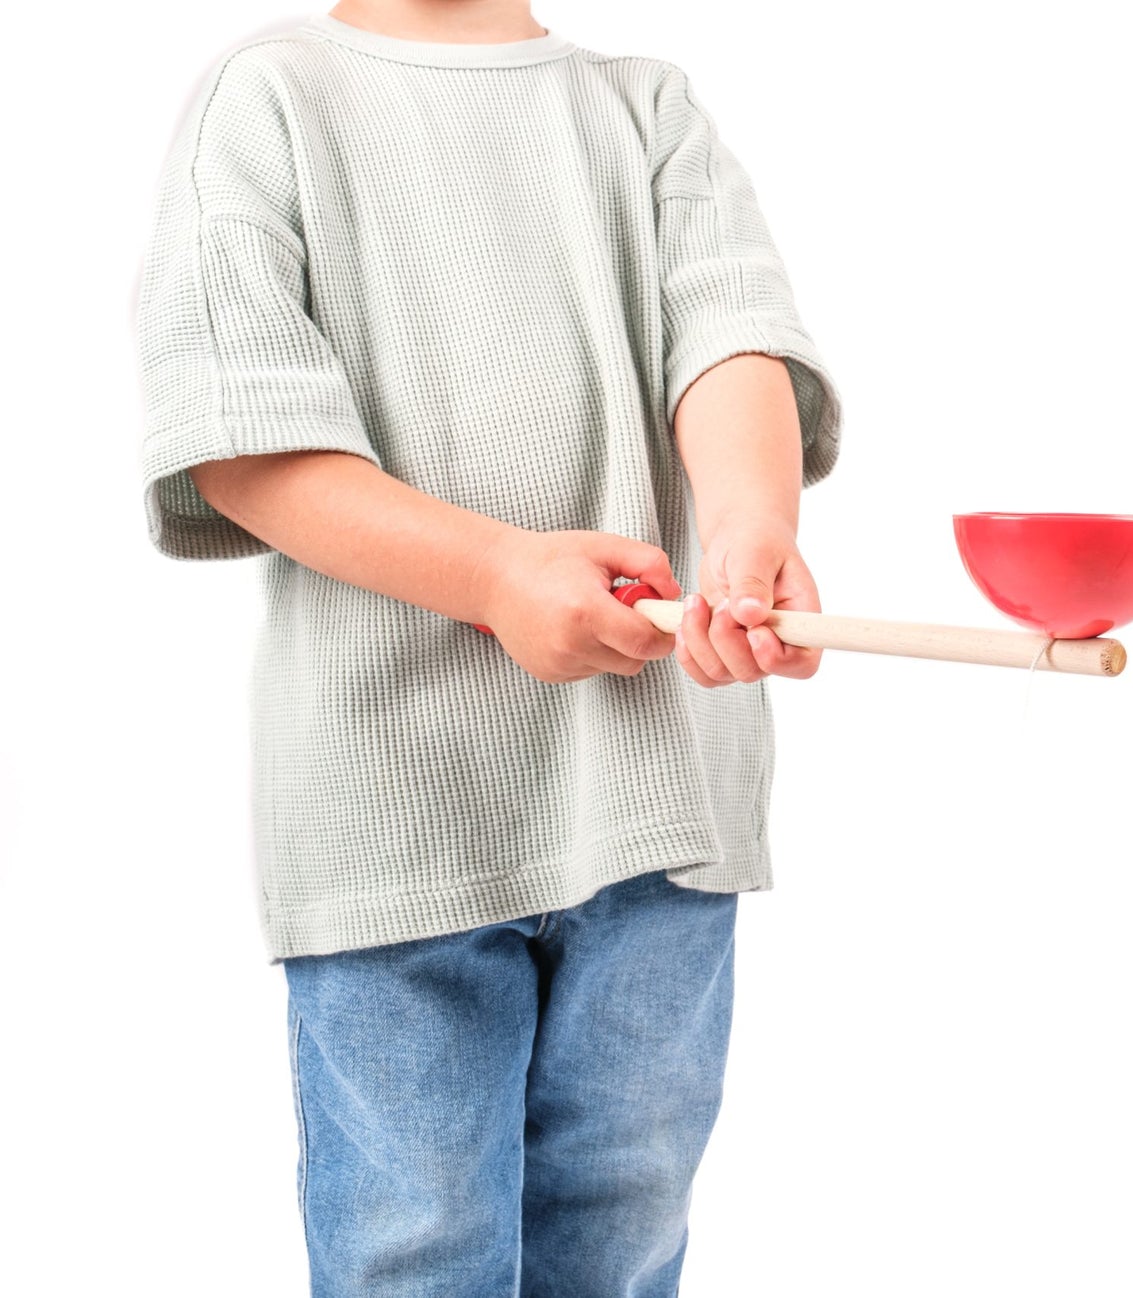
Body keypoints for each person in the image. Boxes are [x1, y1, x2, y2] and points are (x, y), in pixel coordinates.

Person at [131, 1, 843, 1292]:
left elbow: (732, 334)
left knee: (622, 1229)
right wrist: (496, 576)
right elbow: (240, 437)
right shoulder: (268, 98)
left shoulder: (646, 106)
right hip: (392, 813)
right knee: (415, 1248)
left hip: (660, 802)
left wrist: (751, 528)